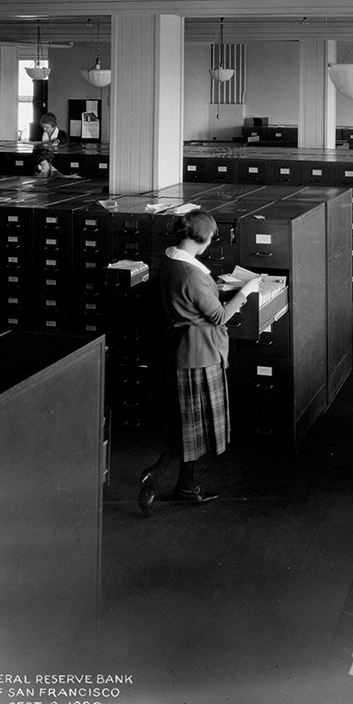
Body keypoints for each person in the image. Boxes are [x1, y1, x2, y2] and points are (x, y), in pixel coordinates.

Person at [138, 210, 261, 517]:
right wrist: (246, 291)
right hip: (198, 356)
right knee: (191, 430)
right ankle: (155, 475)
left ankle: (185, 485)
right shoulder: (192, 274)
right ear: (202, 238)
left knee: (186, 428)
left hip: (181, 352)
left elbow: (190, 299)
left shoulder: (170, 260)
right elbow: (219, 316)